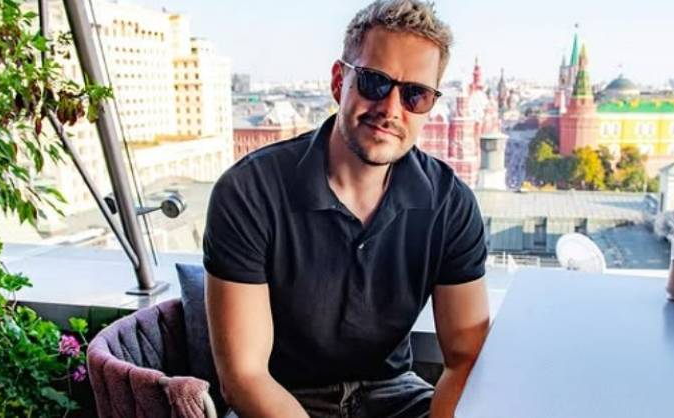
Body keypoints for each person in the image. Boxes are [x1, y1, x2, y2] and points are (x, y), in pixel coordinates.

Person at [203, 1, 489, 417]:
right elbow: (245, 376)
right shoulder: (249, 191)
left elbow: (465, 361)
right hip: (284, 397)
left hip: (395, 394)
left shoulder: (450, 204)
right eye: (374, 82)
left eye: (415, 94)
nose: (391, 109)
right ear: (340, 81)